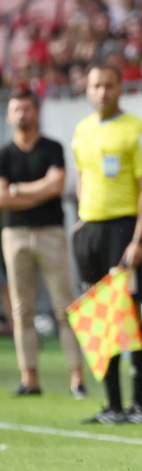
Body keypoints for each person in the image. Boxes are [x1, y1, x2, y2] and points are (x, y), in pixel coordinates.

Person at [72, 63, 142, 425]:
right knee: (98, 317)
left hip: (123, 232)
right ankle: (112, 406)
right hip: (90, 231)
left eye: (108, 85)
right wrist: (82, 218)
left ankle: (137, 406)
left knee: (130, 315)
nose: (102, 92)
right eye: (96, 85)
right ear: (87, 90)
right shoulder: (82, 130)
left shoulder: (136, 130)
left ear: (120, 88)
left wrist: (139, 237)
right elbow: (83, 175)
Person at [0, 91, 86, 397]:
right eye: (16, 109)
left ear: (36, 112)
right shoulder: (5, 154)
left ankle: (77, 377)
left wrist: (17, 190)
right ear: (9, 116)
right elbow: (1, 197)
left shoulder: (52, 148)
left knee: (65, 306)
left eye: (27, 108)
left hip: (49, 232)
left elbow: (57, 186)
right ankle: (30, 377)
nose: (22, 114)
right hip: (15, 233)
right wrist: (39, 189)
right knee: (22, 310)